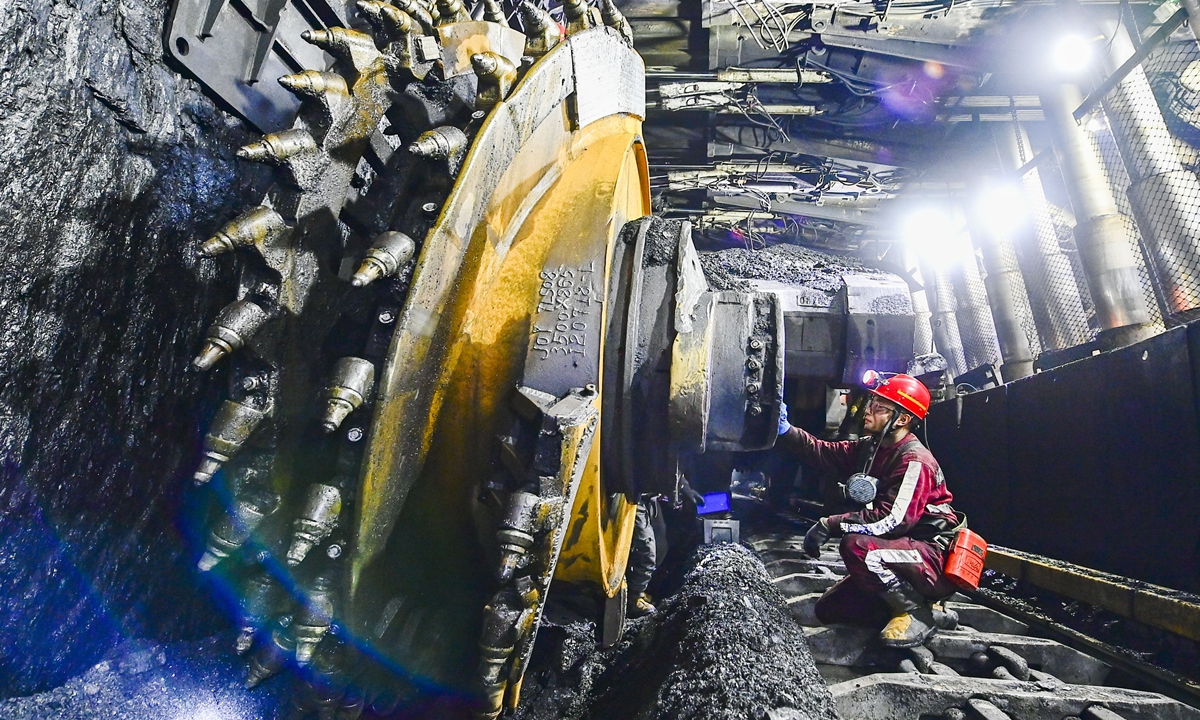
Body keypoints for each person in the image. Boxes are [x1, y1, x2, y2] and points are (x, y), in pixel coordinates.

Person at [776, 372, 962, 648]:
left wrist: (831, 524)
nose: (868, 410)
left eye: (879, 407)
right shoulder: (873, 448)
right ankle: (932, 611)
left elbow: (891, 520)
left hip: (931, 556)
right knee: (830, 609)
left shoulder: (914, 461)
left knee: (858, 548)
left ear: (901, 419)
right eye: (871, 402)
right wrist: (786, 430)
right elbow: (825, 452)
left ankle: (915, 612)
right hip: (905, 550)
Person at [626, 479, 705, 618]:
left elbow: (675, 469)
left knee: (660, 547)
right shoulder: (650, 455)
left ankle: (639, 587)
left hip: (650, 500)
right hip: (633, 498)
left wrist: (685, 489)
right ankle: (633, 600)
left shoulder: (678, 456)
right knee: (646, 551)